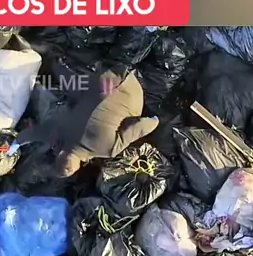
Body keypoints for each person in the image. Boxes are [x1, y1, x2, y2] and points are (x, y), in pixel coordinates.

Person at [9, 67, 159, 176]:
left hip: (132, 90)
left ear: (80, 166)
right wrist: (14, 145)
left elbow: (135, 126)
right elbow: (34, 134)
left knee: (83, 102)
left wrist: (154, 121)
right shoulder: (59, 136)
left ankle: (59, 67)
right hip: (106, 79)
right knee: (78, 94)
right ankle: (56, 65)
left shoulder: (108, 150)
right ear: (59, 154)